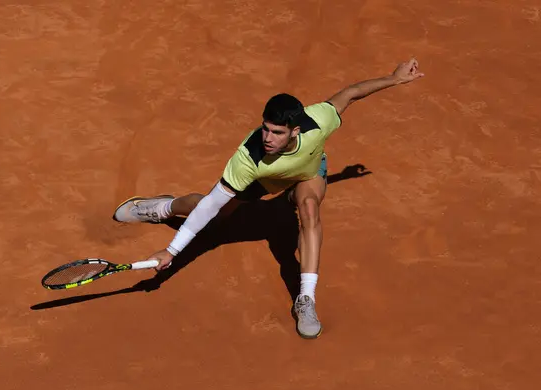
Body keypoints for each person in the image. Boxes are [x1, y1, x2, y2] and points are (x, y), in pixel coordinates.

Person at [113, 58, 424, 339]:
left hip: (307, 174)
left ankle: (306, 299)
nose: (267, 138)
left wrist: (394, 78)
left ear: (295, 131)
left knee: (310, 210)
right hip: (263, 180)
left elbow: (351, 93)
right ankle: (163, 206)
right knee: (214, 214)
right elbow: (211, 205)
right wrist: (172, 250)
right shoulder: (248, 158)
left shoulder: (317, 122)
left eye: (277, 132)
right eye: (265, 129)